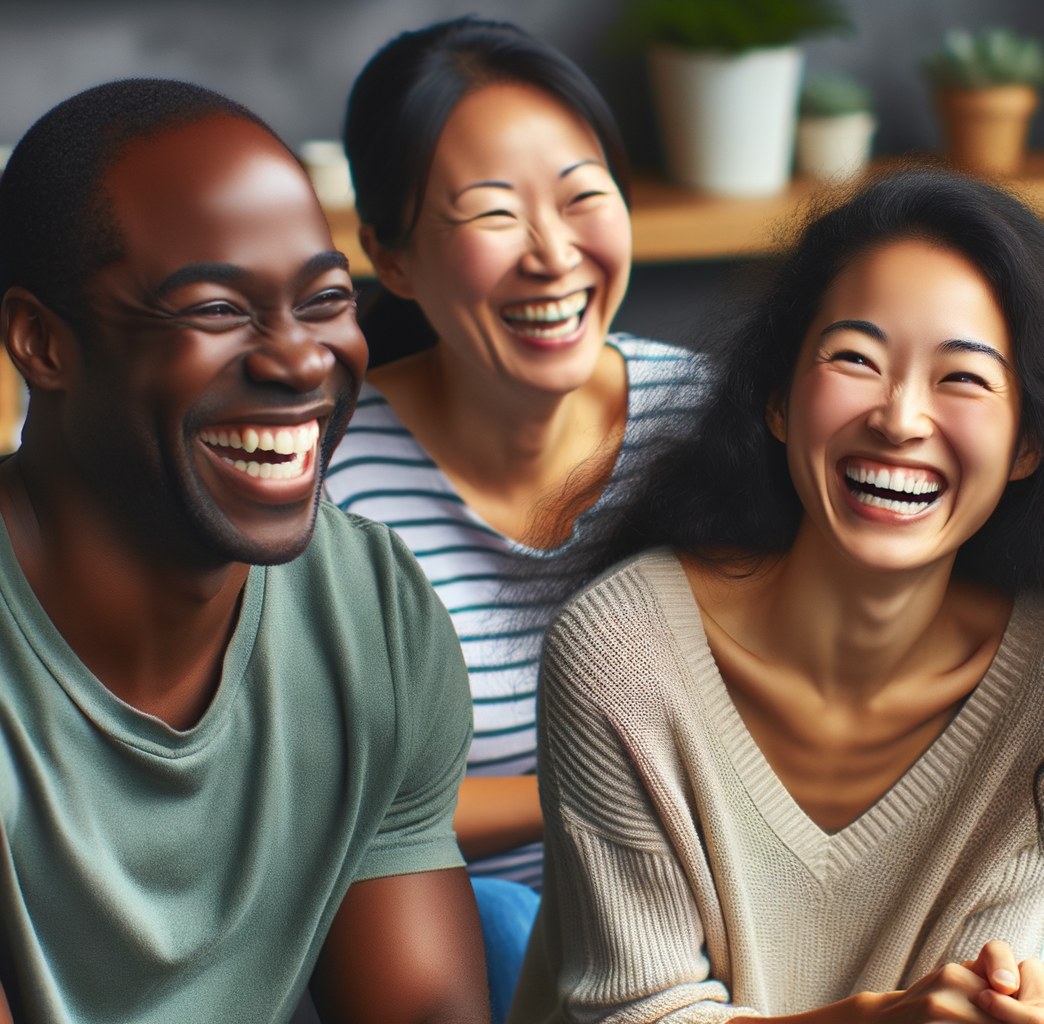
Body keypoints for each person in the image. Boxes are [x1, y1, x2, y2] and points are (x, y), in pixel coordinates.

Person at [0, 81, 486, 1024]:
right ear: (41, 342)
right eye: (219, 310)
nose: (302, 360)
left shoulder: (376, 612)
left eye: (323, 300)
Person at [507, 169, 1044, 1024]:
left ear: (1029, 444)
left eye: (964, 379)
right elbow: (640, 1014)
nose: (900, 417)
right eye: (855, 360)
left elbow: (986, 985)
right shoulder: (620, 649)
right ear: (780, 401)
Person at [326, 20, 706, 1018]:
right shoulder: (326, 476)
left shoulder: (709, 428)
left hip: (707, 916)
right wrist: (603, 794)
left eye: (584, 197)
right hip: (446, 948)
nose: (553, 253)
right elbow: (337, 808)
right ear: (391, 255)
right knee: (496, 918)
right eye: (493, 214)